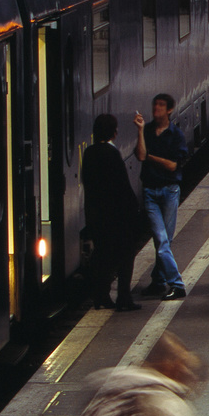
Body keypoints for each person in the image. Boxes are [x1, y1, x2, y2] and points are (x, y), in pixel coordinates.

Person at [79, 332, 204, 416]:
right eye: (181, 361)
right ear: (168, 364)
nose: (185, 369)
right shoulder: (169, 406)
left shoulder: (108, 389)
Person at [81, 114, 143, 312]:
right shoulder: (112, 154)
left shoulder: (89, 153)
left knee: (104, 256)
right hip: (117, 217)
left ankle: (101, 296)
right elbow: (122, 187)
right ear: (114, 133)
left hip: (96, 216)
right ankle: (124, 297)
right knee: (126, 255)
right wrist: (135, 211)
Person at [135, 93, 188, 301]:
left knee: (164, 240)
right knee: (161, 239)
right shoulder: (146, 131)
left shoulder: (176, 135)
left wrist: (150, 157)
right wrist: (140, 131)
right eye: (154, 104)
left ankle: (158, 281)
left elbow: (173, 165)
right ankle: (176, 283)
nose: (156, 109)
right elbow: (140, 155)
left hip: (169, 191)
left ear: (169, 110)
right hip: (150, 191)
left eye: (160, 105)